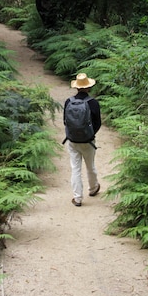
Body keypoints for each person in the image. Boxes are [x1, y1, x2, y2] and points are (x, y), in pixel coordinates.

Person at [64, 73, 101, 206]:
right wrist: (90, 134)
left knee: (75, 169)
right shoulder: (93, 103)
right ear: (88, 87)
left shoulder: (69, 102)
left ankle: (78, 198)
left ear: (77, 87)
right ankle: (93, 188)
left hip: (73, 141)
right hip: (89, 141)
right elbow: (98, 123)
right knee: (90, 166)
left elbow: (65, 121)